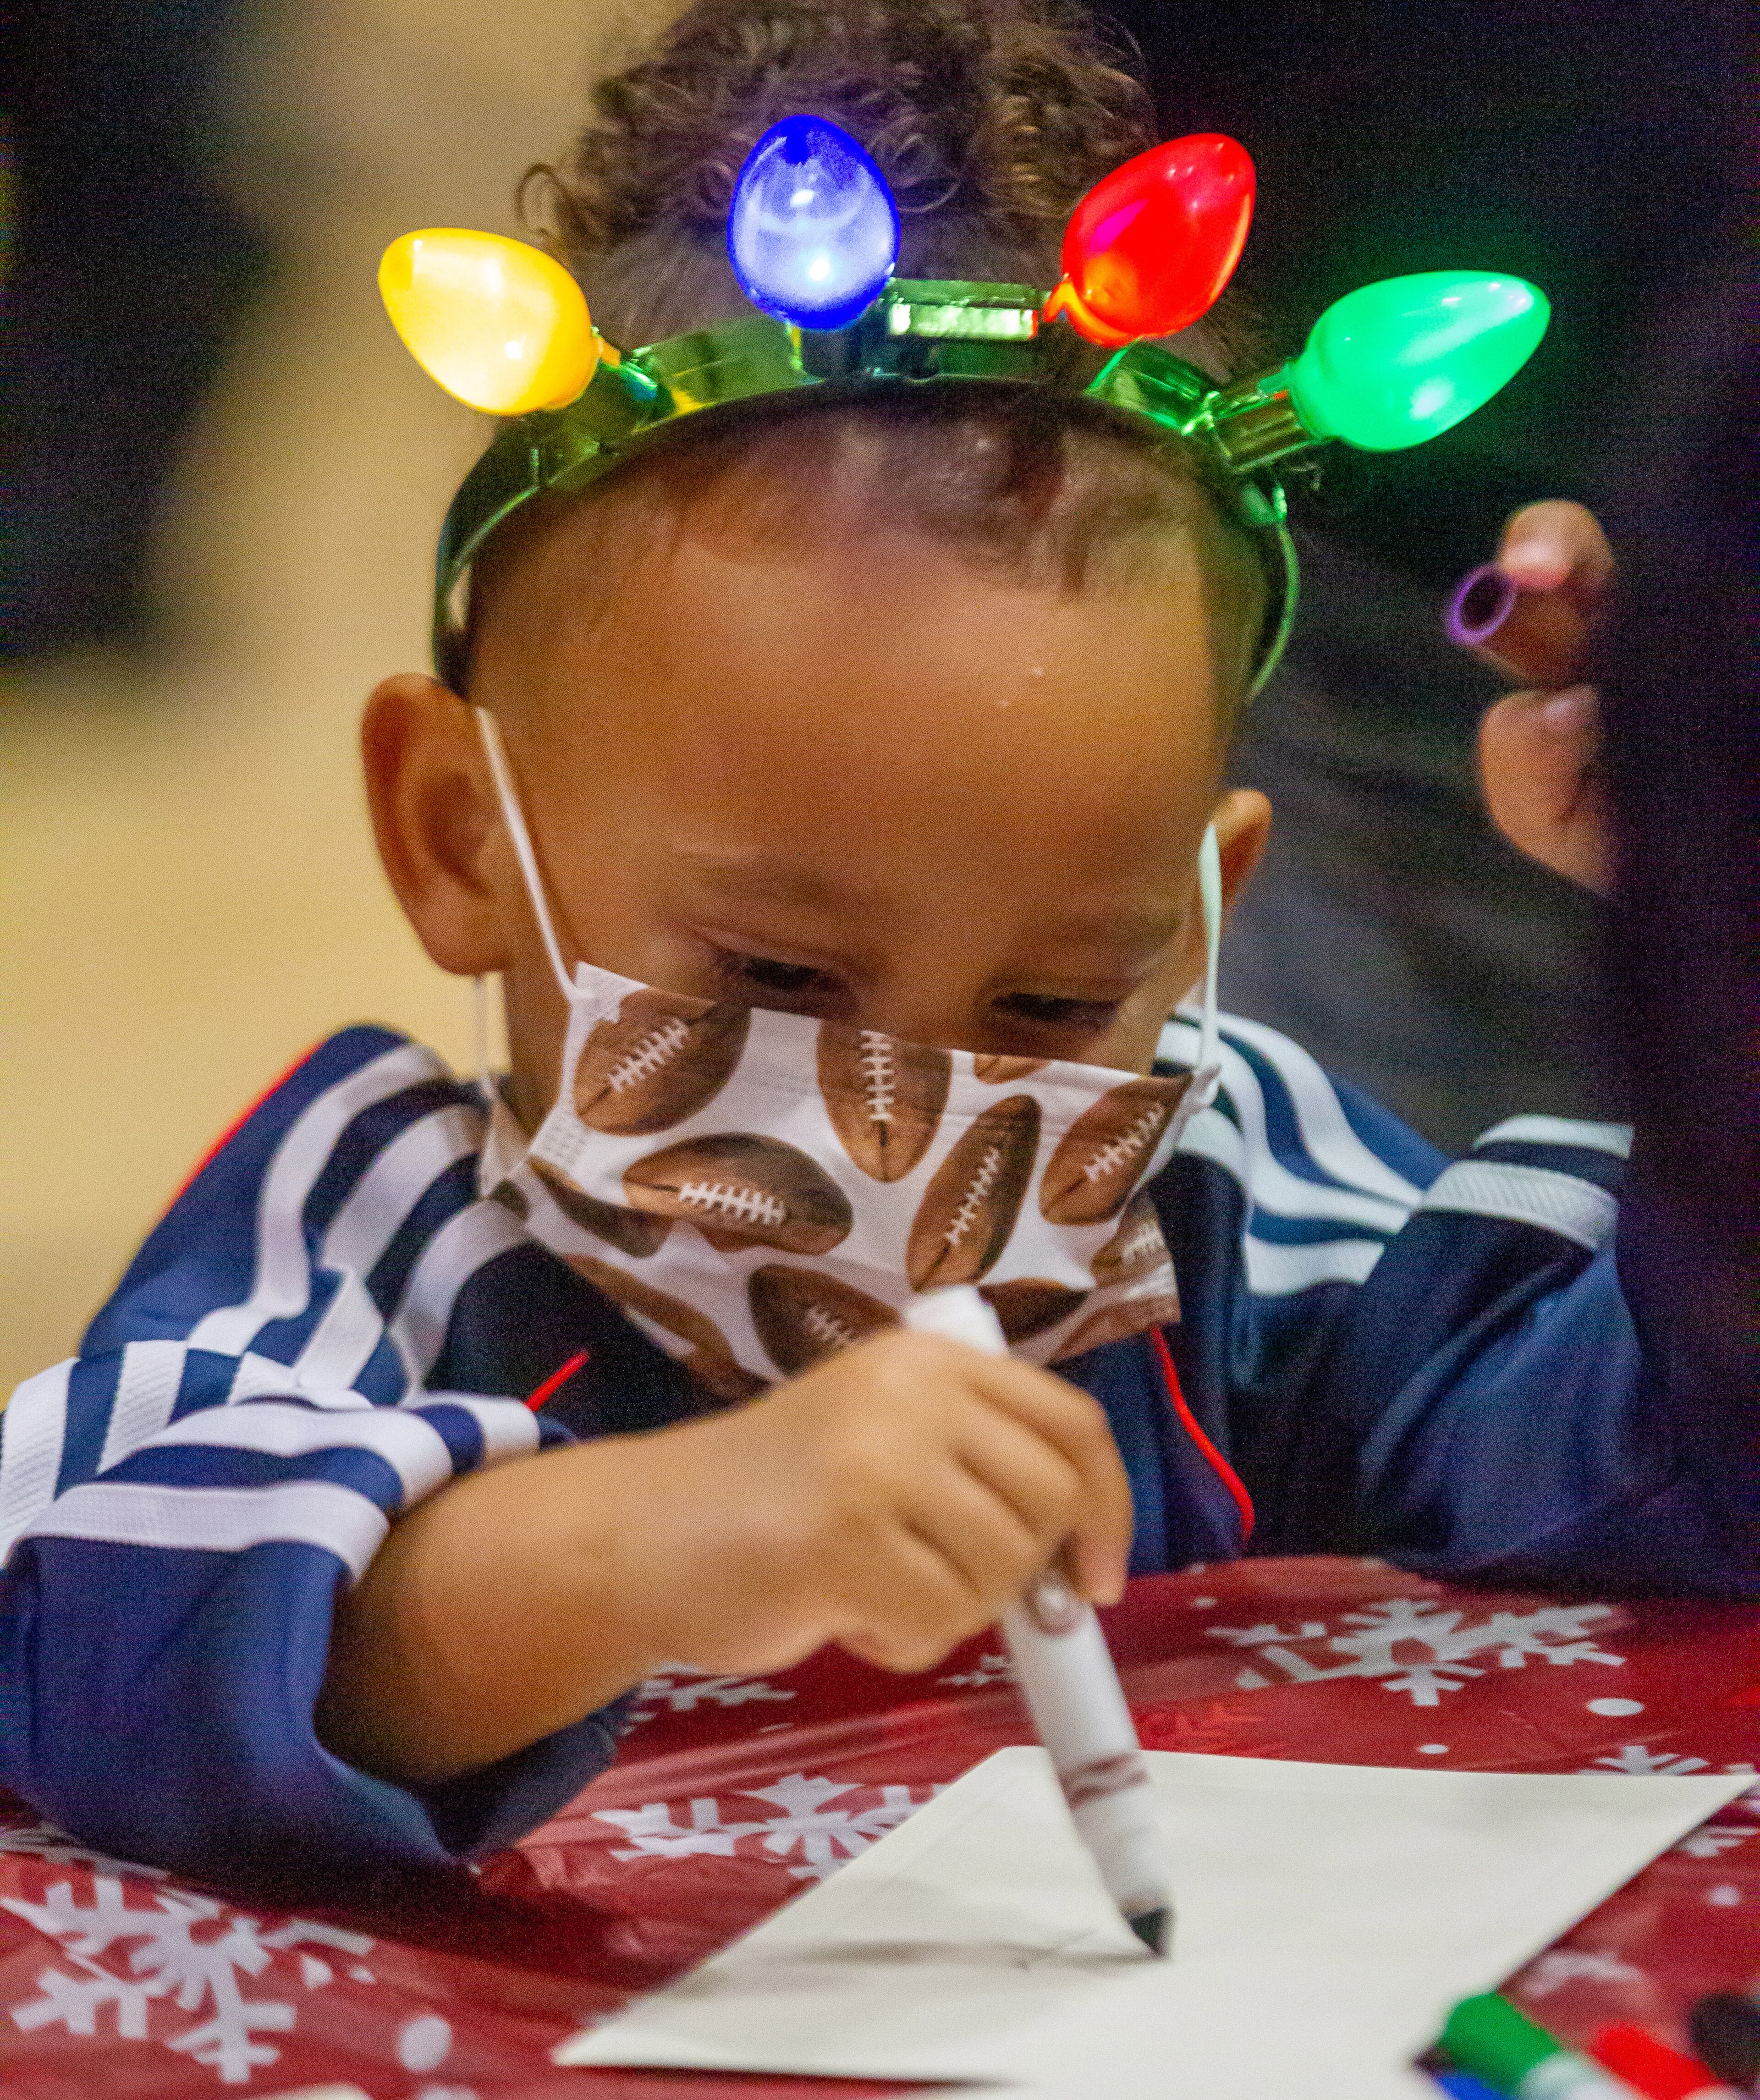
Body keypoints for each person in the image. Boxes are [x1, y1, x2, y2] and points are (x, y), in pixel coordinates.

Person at [0, 0, 1749, 1897]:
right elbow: (77, 1624)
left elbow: (1673, 1457)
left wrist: (1715, 927)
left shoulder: (1228, 1217)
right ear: (454, 835)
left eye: (1056, 1001)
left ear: (1206, 910)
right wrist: (663, 1538)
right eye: (775, 978)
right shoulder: (376, 1234)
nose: (914, 1127)